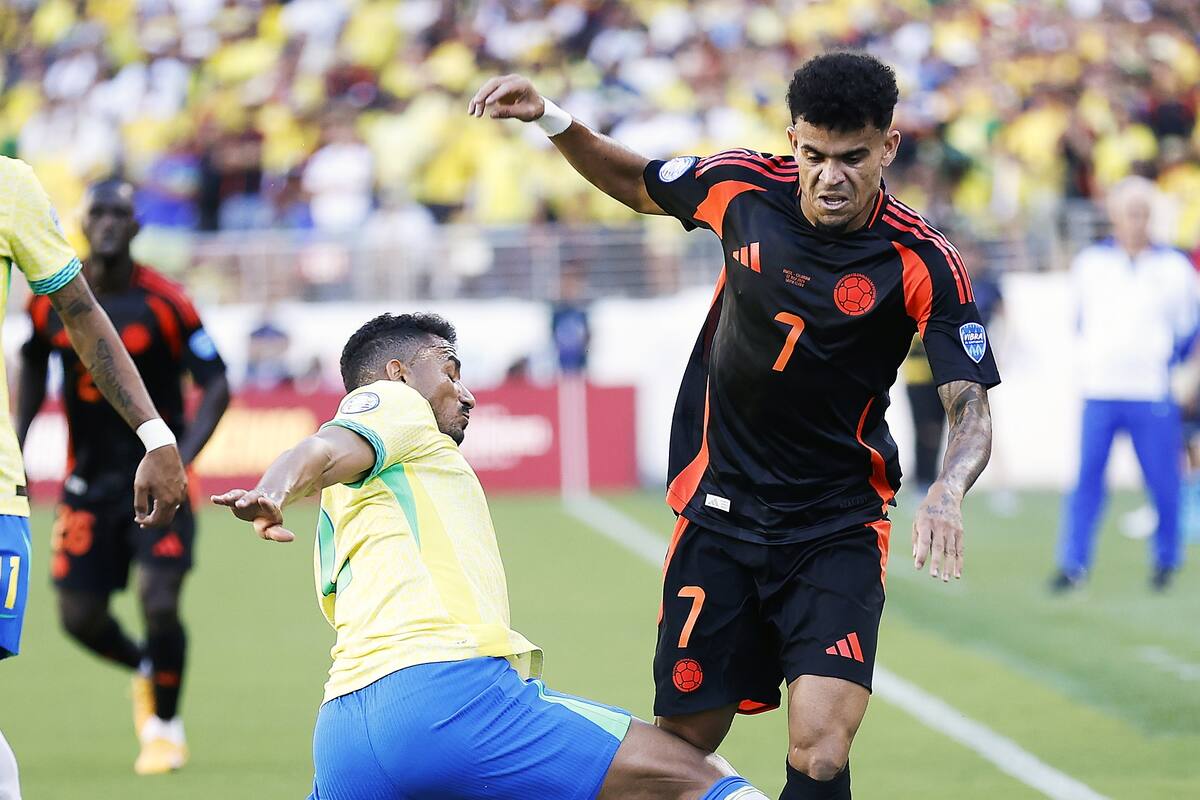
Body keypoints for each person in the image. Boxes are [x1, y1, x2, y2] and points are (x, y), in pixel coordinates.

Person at [469, 52, 999, 800]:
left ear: (889, 147)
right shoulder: (742, 186)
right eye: (813, 155)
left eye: (852, 158)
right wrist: (553, 119)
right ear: (792, 140)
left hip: (835, 525)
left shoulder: (923, 259)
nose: (830, 176)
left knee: (821, 750)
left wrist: (949, 484)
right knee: (684, 743)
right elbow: (636, 181)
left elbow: (968, 400)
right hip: (719, 513)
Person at [212, 312, 771, 800]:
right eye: (450, 370)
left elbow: (327, 455)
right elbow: (320, 446)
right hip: (448, 701)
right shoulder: (392, 403)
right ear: (399, 372)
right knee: (694, 779)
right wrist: (275, 488)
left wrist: (282, 488)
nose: (467, 392)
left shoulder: (367, 483)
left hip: (342, 732)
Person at [15, 178, 229, 775]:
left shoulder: (167, 300)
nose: (108, 222)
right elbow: (31, 362)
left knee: (158, 601)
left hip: (158, 485)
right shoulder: (49, 295)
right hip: (87, 484)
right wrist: (18, 444)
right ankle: (145, 666)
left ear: (136, 227)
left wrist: (178, 459)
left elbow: (217, 382)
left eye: (120, 213)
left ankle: (163, 725)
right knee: (78, 619)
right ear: (82, 224)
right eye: (98, 212)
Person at [1051, 175, 1198, 593]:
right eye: (1129, 212)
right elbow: (1079, 322)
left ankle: (1167, 561)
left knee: (1164, 481)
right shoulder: (1091, 264)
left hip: (1151, 390)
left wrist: (1182, 379)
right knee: (1087, 482)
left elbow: (1190, 330)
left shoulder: (1173, 267)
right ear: (1114, 216)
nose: (1136, 220)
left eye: (1143, 212)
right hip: (1100, 388)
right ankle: (1073, 563)